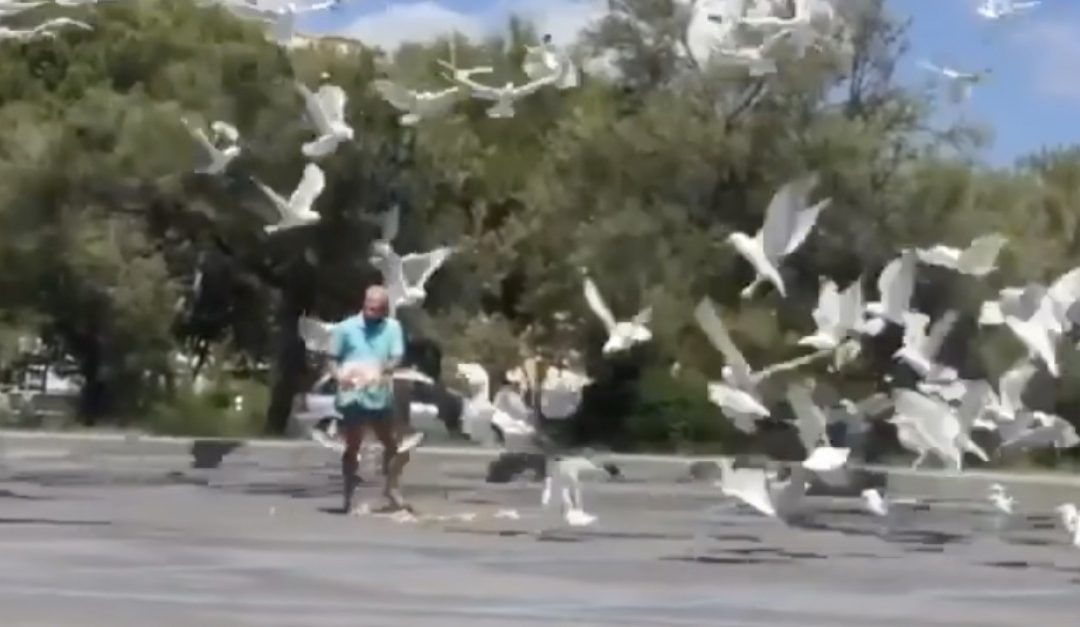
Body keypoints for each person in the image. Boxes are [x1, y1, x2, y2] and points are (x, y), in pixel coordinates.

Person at [331, 284, 409, 513]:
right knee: (353, 442)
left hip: (378, 392)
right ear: (363, 304)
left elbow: (396, 356)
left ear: (385, 309)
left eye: (377, 310)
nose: (371, 313)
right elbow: (332, 358)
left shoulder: (392, 328)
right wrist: (339, 376)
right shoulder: (345, 328)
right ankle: (349, 490)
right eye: (369, 308)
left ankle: (391, 486)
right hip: (352, 393)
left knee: (391, 443)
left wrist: (383, 369)